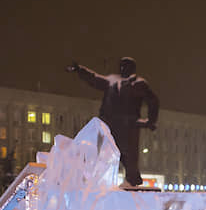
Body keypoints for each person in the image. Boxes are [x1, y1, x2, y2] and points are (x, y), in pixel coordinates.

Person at [67, 57, 159, 186]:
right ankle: (92, 180)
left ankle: (132, 181)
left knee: (129, 156)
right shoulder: (112, 81)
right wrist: (80, 70)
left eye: (125, 66)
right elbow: (94, 79)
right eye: (121, 66)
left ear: (132, 68)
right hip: (110, 124)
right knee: (100, 152)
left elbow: (153, 101)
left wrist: (151, 120)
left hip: (128, 126)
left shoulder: (139, 84)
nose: (122, 69)